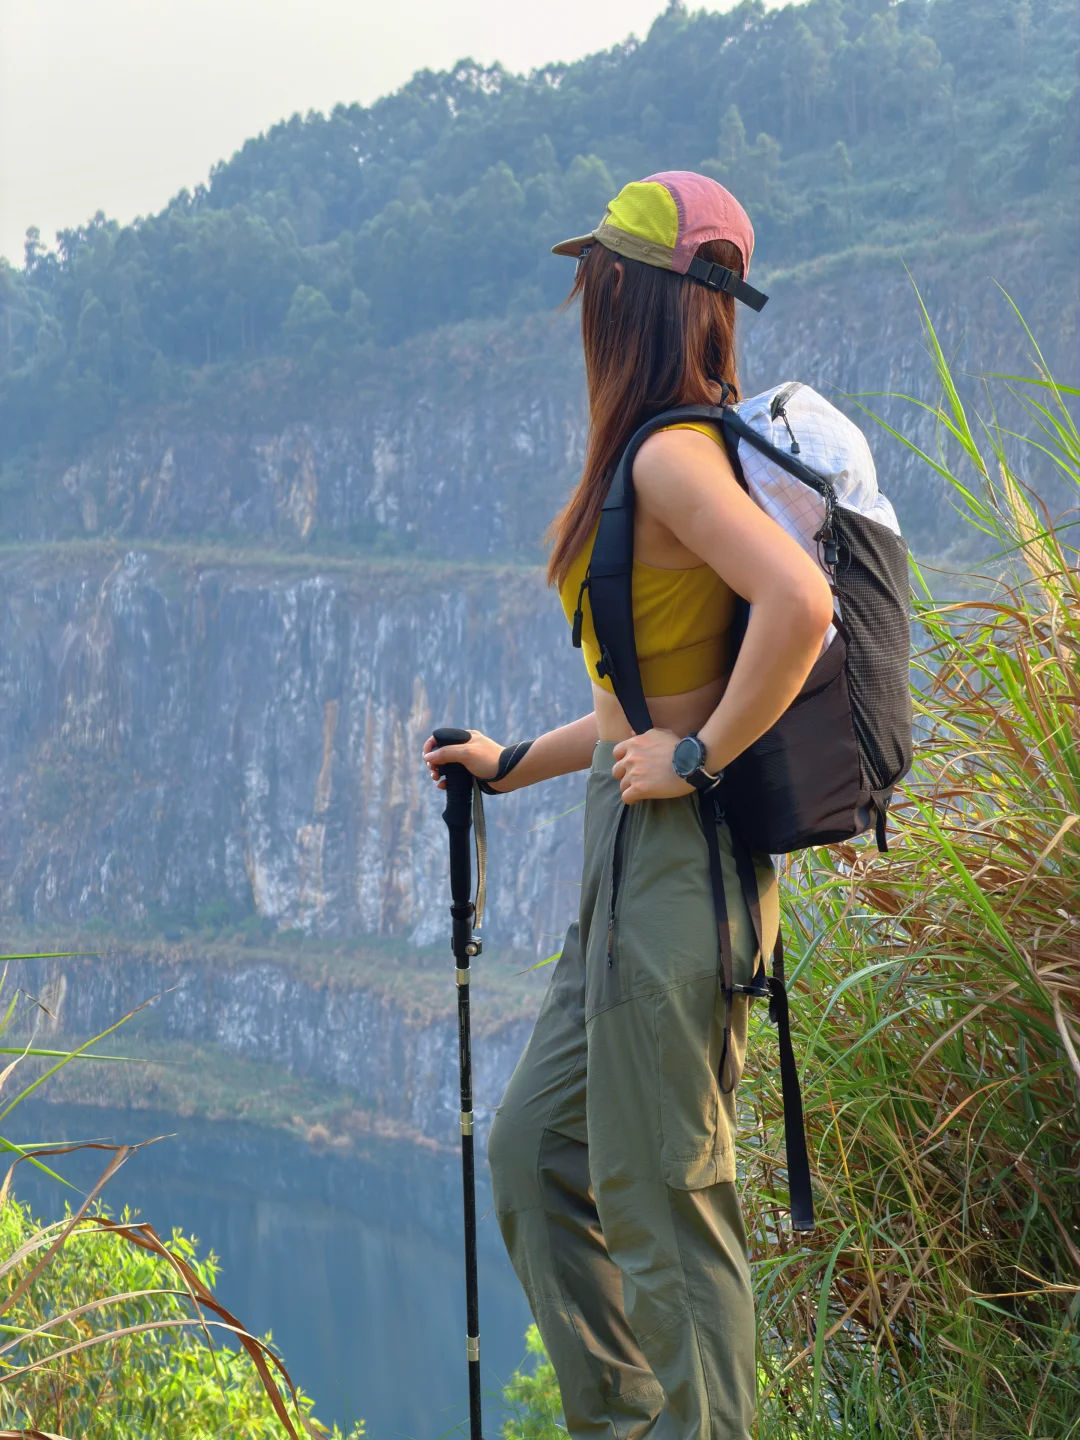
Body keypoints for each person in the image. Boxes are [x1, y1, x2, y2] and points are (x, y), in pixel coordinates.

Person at [423, 172, 834, 1440]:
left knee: (663, 1192)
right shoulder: (660, 448)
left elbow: (803, 605)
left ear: (637, 300)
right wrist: (512, 764)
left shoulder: (668, 455)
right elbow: (637, 702)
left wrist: (699, 757)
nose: (584, 303)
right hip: (631, 844)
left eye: (597, 281)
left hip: (679, 864)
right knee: (537, 1153)